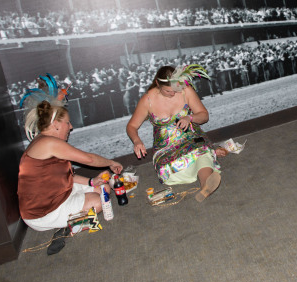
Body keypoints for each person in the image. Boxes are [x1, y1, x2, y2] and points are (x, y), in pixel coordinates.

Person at [18, 78, 123, 255]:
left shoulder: (46, 143)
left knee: (103, 188)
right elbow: (88, 159)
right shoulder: (49, 143)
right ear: (55, 125)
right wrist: (111, 162)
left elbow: (69, 176)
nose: (71, 127)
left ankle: (74, 219)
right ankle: (70, 228)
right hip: (43, 212)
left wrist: (91, 182)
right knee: (98, 203)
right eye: (67, 123)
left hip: (59, 194)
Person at [126, 64, 226, 202]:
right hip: (166, 146)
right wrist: (137, 141)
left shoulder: (186, 90)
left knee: (201, 153)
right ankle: (203, 173)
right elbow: (132, 126)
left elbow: (204, 116)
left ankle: (206, 185)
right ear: (158, 84)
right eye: (168, 91)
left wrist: (189, 117)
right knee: (171, 167)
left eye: (175, 89)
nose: (173, 93)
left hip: (191, 137)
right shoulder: (147, 100)